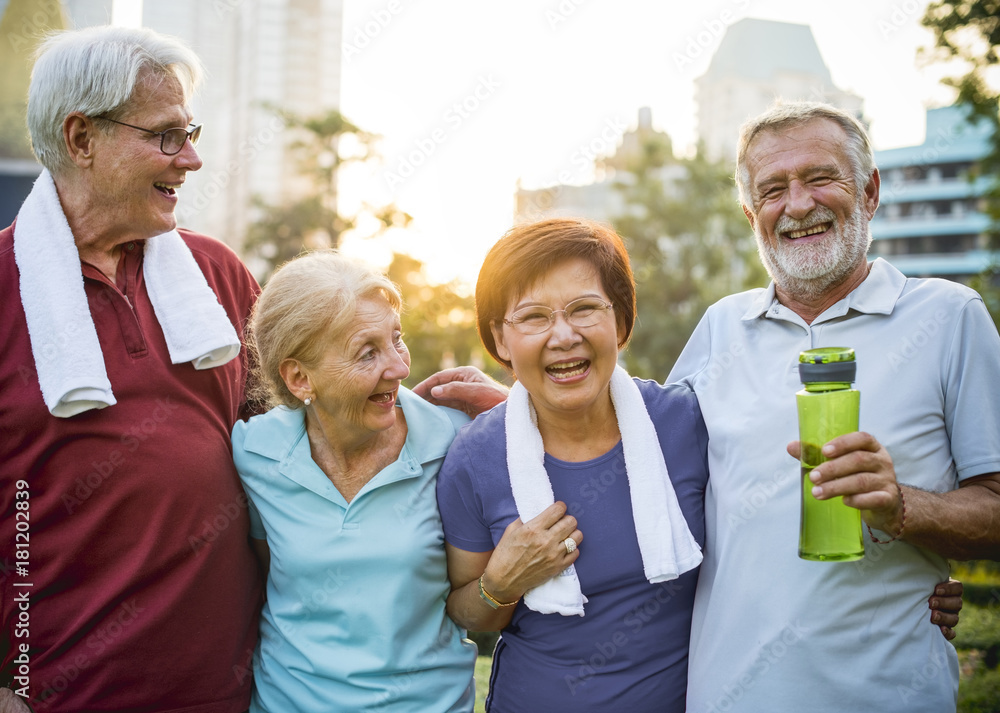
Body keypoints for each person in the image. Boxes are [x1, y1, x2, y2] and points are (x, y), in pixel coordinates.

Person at [665, 101, 1000, 712]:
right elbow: (634, 459)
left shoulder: (951, 317)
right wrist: (515, 402)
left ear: (868, 191)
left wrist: (905, 510)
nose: (797, 204)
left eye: (820, 177)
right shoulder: (719, 329)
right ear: (751, 214)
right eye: (772, 189)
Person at [0, 27, 261, 712]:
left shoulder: (219, 275)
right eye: (168, 136)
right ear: (82, 138)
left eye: (191, 132)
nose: (193, 159)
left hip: (230, 695)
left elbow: (306, 440)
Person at [434, 218, 709, 712]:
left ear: (621, 321)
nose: (564, 336)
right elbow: (468, 612)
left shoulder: (686, 424)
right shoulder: (475, 459)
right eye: (534, 317)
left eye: (584, 308)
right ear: (500, 339)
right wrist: (501, 583)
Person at [232, 250, 477, 712]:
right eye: (368, 353)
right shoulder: (254, 453)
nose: (400, 369)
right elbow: (269, 571)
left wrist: (512, 407)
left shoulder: (455, 441)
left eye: (396, 340)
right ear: (300, 378)